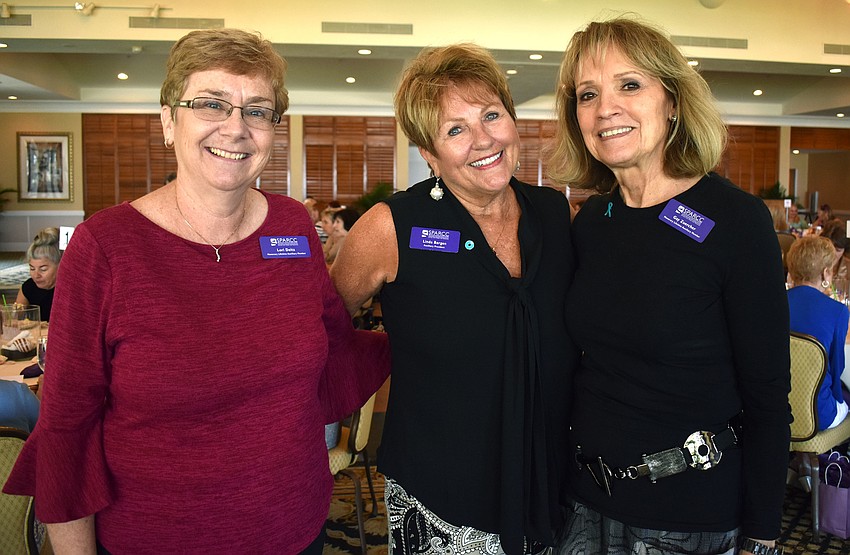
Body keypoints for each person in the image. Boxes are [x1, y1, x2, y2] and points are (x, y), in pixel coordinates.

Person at [3, 28, 389, 555]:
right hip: (157, 538)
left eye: (257, 110)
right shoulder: (107, 247)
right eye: (211, 104)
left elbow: (333, 346)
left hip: (297, 530)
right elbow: (68, 426)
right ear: (168, 120)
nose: (236, 128)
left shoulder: (291, 226)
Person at [548, 18, 790, 555]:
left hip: (687, 512)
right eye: (588, 94)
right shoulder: (592, 221)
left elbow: (769, 396)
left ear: (673, 102)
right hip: (583, 505)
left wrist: (764, 535)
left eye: (629, 85)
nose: (606, 107)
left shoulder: (736, 222)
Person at [331, 43, 578, 555]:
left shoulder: (557, 215)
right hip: (441, 491)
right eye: (455, 129)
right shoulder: (391, 227)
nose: (483, 139)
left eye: (491, 115)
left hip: (550, 475)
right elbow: (324, 326)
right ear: (429, 154)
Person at [786, 236, 850, 430]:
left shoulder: (772, 305)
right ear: (826, 274)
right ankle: (832, 459)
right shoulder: (838, 311)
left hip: (775, 409)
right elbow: (837, 367)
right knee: (845, 401)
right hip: (817, 414)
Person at [16, 227, 61, 322]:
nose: (36, 275)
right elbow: (15, 319)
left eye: (43, 269)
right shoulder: (28, 288)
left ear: (61, 266)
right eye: (32, 268)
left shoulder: (70, 290)